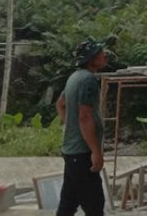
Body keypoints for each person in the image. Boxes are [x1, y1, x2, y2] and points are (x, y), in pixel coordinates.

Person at [55, 37, 109, 216]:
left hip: (71, 151)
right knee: (94, 203)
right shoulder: (88, 81)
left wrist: (68, 127)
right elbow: (85, 117)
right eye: (100, 53)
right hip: (82, 152)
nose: (104, 55)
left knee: (68, 203)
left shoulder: (74, 77)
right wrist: (95, 151)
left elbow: (60, 104)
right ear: (91, 58)